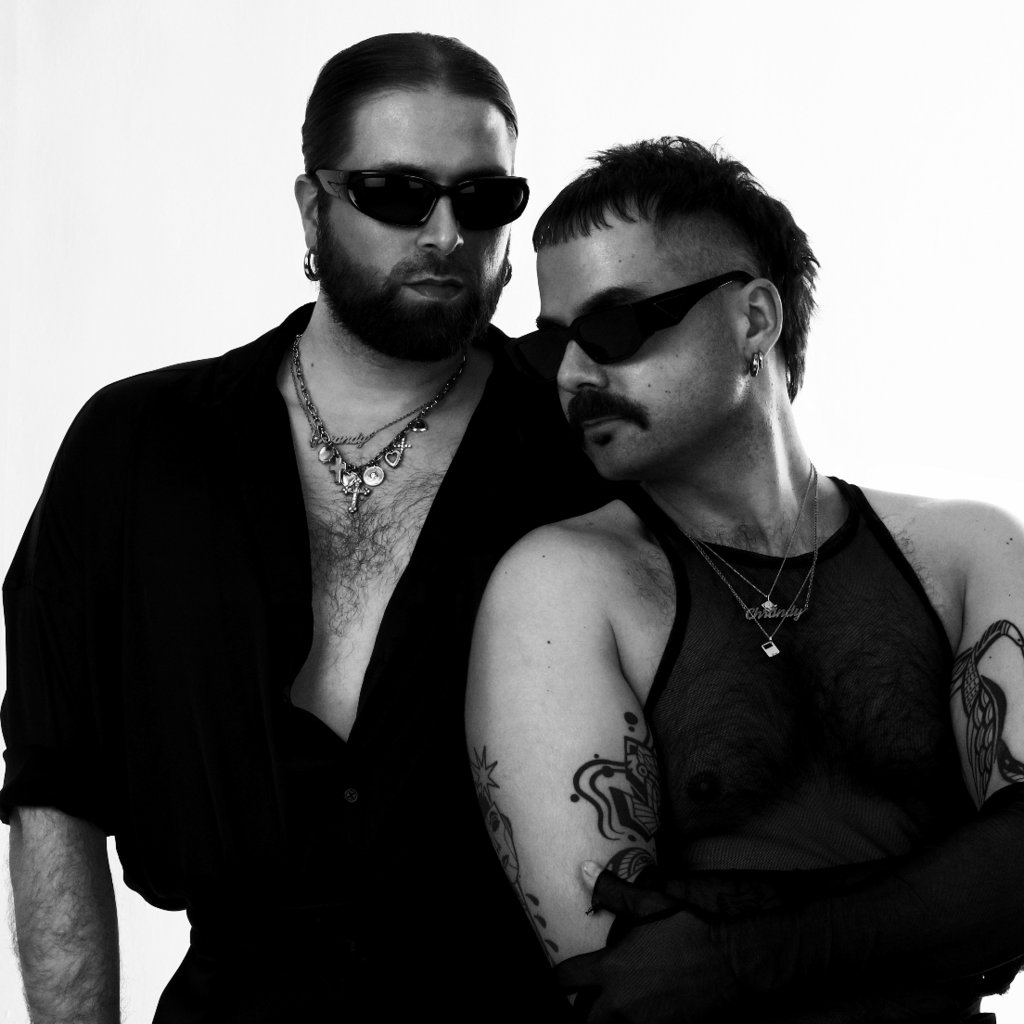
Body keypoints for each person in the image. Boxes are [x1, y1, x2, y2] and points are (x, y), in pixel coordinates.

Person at [2, 33, 600, 1023]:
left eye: (485, 198)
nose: (447, 233)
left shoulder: (579, 451)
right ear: (312, 207)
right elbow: (53, 788)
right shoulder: (139, 445)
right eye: (397, 194)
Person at [466, 136, 1024, 1022]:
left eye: (612, 328)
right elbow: (631, 984)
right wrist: (958, 898)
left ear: (754, 320)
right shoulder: (564, 588)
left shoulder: (967, 550)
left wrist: (741, 952)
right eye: (554, 344)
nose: (573, 374)